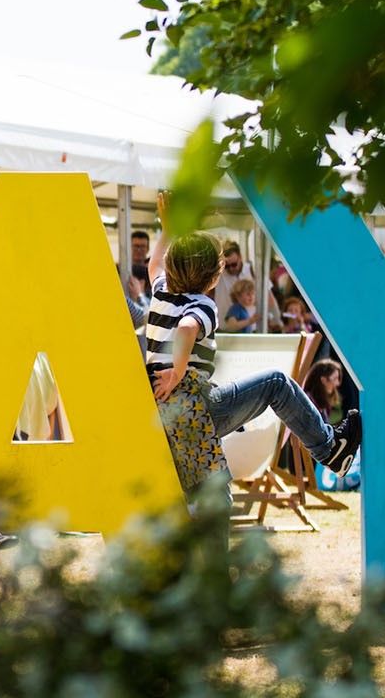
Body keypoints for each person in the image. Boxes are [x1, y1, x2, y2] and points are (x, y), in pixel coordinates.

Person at [146, 191, 361, 501]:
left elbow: (154, 264)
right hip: (200, 407)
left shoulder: (161, 293)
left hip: (166, 412)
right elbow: (186, 327)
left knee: (210, 497)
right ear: (213, 279)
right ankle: (330, 449)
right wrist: (177, 372)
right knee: (276, 383)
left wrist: (167, 226)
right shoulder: (202, 305)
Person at [212, 240, 255, 321]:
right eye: (227, 266)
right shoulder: (218, 273)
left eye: (234, 264)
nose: (231, 269)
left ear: (240, 257)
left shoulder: (252, 270)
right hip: (225, 328)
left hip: (251, 328)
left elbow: (268, 297)